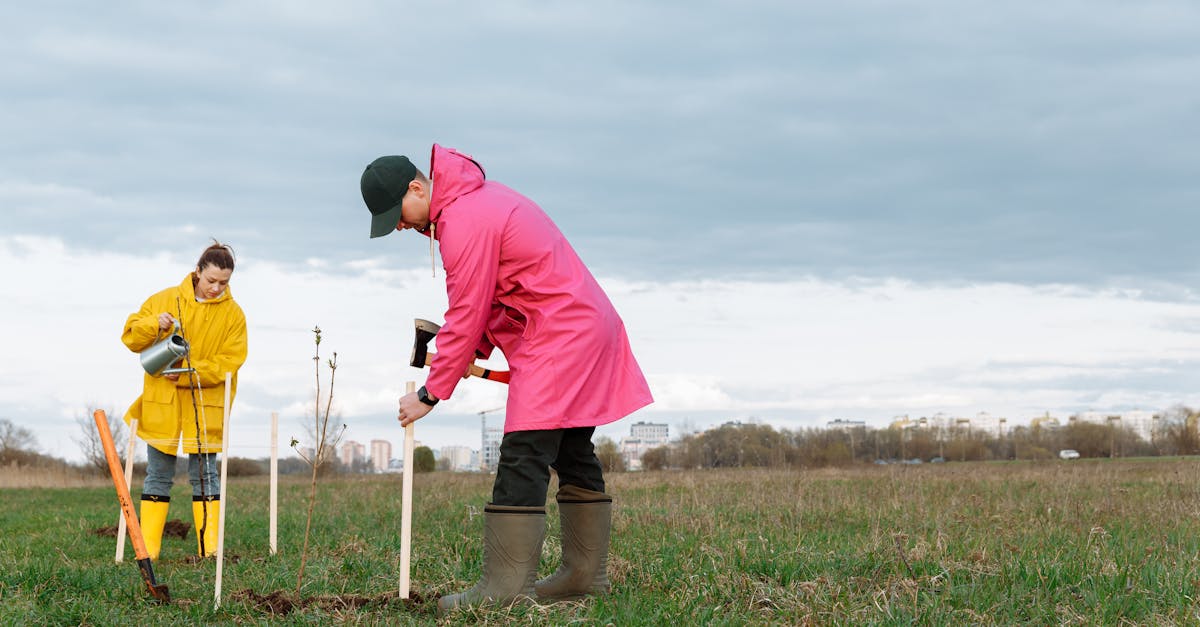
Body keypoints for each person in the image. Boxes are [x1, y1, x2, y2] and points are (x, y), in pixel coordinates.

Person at [360, 145, 653, 611]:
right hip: (581, 326)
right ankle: (583, 577)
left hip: (559, 335)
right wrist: (464, 353)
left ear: (417, 188)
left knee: (524, 452)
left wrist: (430, 393)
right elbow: (489, 308)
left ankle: (504, 589)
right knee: (573, 448)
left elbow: (468, 310)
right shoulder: (477, 201)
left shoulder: (463, 220)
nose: (399, 225)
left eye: (397, 214)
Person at [120, 241, 248, 561]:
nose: (217, 288)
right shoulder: (164, 299)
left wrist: (191, 374)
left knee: (205, 476)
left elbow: (230, 362)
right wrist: (154, 325)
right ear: (197, 272)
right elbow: (131, 337)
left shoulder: (234, 315)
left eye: (224, 283)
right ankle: (148, 551)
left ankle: (210, 551)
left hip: (207, 404)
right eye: (211, 281)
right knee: (158, 474)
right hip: (162, 403)